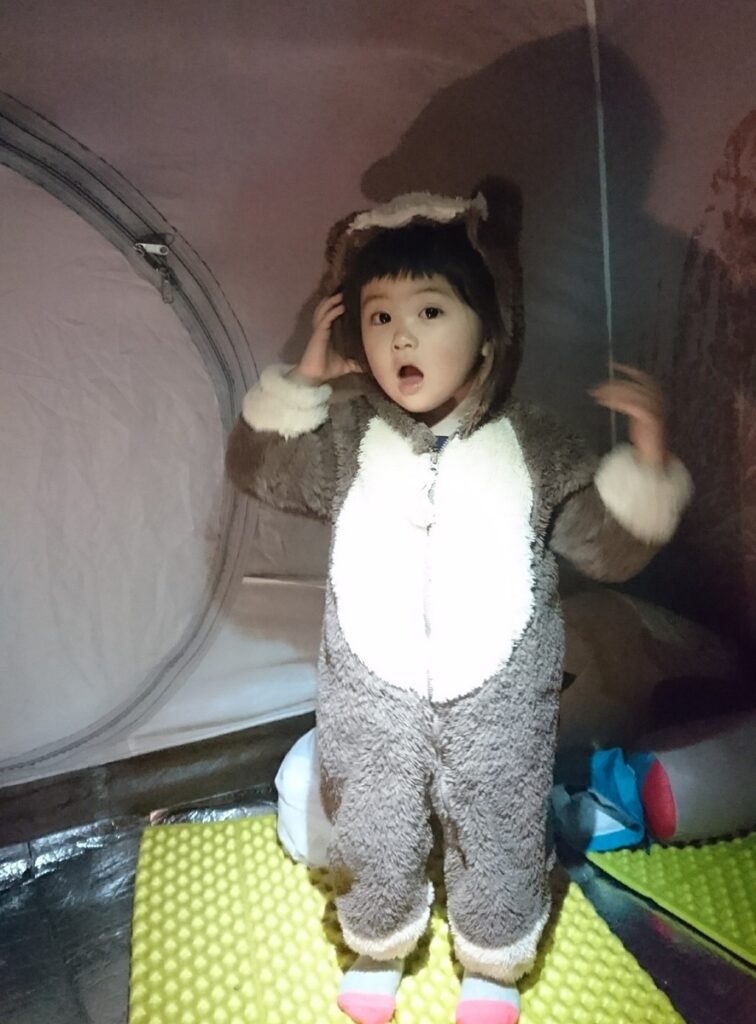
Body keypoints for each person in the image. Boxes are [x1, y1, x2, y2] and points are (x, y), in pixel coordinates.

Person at [225, 181, 693, 1024]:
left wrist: (649, 460)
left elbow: (608, 546)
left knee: (500, 820)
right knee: (370, 817)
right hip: (372, 688)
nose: (401, 335)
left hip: (499, 693)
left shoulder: (536, 443)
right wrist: (303, 379)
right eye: (378, 316)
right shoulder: (347, 439)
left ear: (490, 329)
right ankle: (378, 940)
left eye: (430, 312)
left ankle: (493, 957)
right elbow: (260, 470)